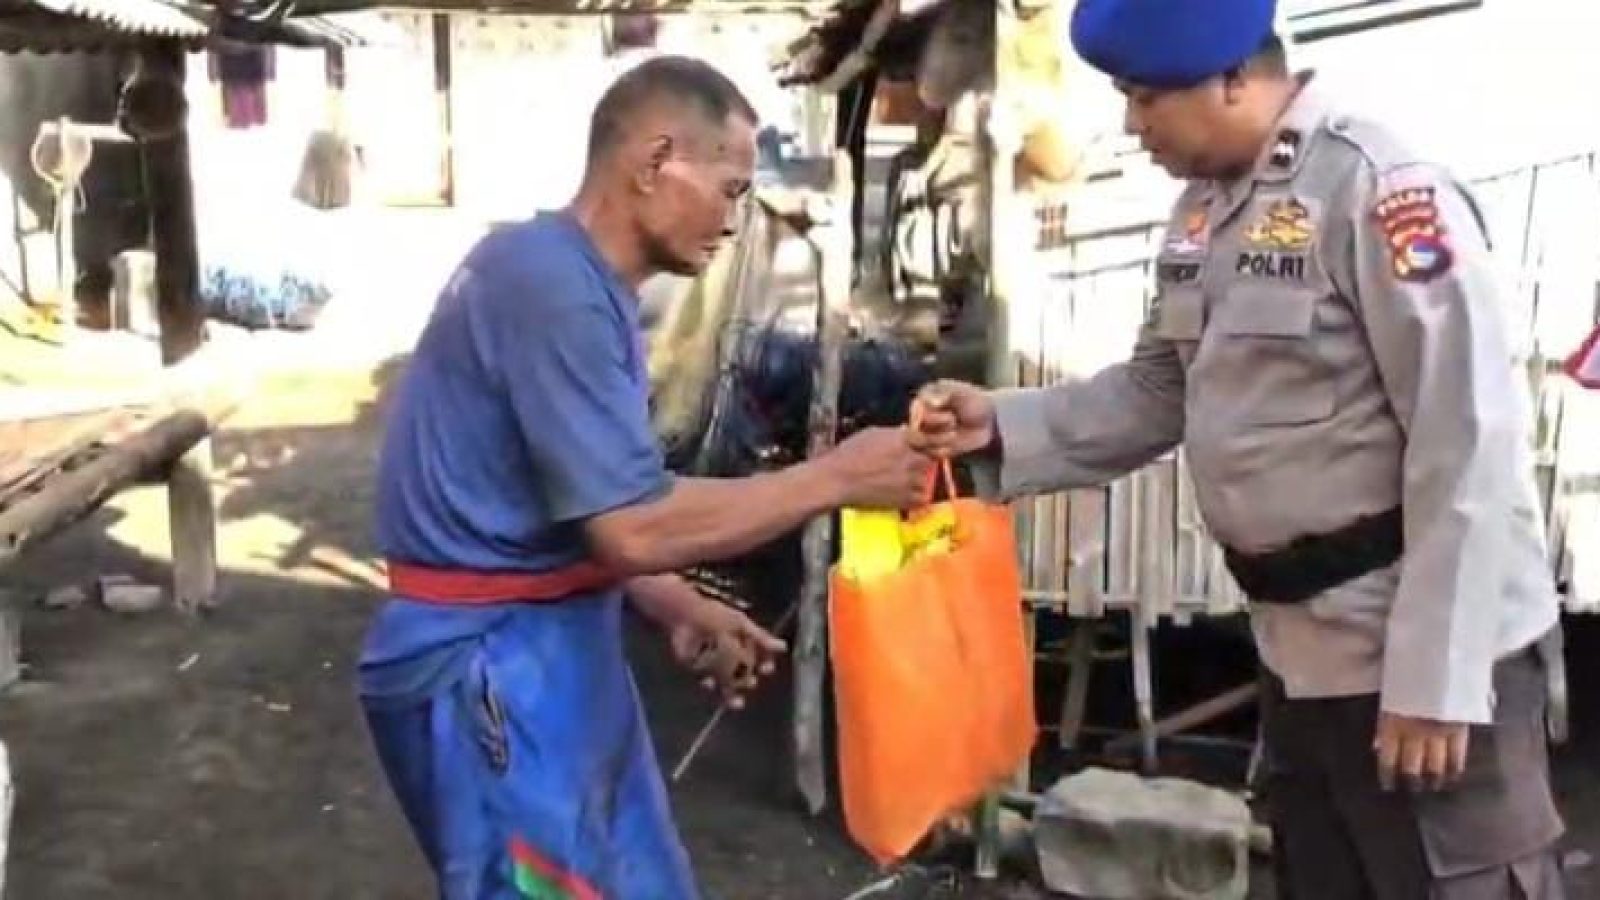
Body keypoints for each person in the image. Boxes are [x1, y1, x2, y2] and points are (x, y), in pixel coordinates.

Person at [911, 0, 1568, 896]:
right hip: (1302, 651)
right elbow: (1158, 390)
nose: (1132, 125)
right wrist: (1002, 422)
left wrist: (1435, 681)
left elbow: (1471, 439)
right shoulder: (1201, 215)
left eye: (1147, 99)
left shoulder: (1377, 189)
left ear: (1234, 77)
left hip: (1422, 655)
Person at [359, 55, 931, 900]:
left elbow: (562, 506)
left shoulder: (577, 283)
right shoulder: (550, 287)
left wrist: (675, 601)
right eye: (733, 189)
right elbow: (631, 522)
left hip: (551, 653)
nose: (736, 220)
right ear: (656, 161)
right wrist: (836, 476)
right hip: (489, 673)